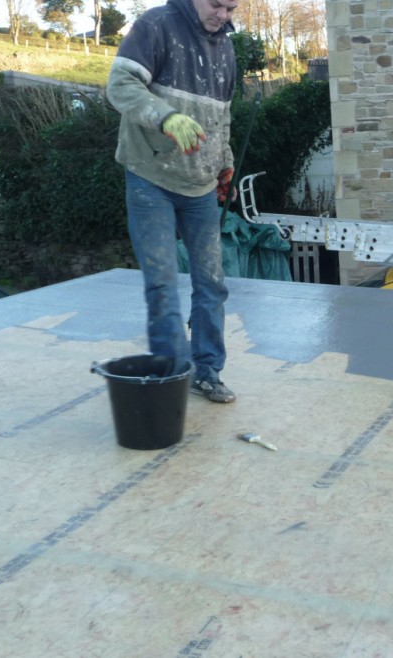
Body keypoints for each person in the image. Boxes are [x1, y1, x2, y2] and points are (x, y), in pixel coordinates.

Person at [106, 0, 241, 403]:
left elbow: (223, 116)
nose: (224, 14)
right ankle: (171, 377)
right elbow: (121, 85)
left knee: (212, 285)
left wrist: (224, 163)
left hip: (200, 186)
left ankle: (207, 371)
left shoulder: (227, 49)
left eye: (232, 7)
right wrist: (165, 116)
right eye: (216, 4)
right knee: (163, 284)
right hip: (151, 179)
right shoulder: (156, 26)